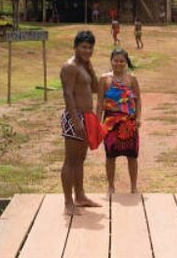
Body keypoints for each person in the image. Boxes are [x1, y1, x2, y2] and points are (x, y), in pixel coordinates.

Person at [60, 30, 102, 215]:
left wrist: (90, 67)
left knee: (80, 160)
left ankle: (80, 196)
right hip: (74, 116)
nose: (87, 50)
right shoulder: (69, 67)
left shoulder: (84, 66)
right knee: (70, 160)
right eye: (84, 47)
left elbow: (94, 88)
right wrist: (76, 121)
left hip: (86, 116)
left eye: (90, 48)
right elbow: (67, 93)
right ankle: (68, 202)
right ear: (75, 47)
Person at [96, 48, 142, 195]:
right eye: (116, 60)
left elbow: (138, 99)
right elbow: (99, 102)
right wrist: (97, 122)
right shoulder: (104, 79)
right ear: (111, 61)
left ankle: (134, 186)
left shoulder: (132, 79)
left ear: (126, 63)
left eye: (122, 61)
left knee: (132, 155)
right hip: (110, 122)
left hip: (129, 122)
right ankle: (111, 186)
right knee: (110, 156)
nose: (118, 63)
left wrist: (138, 118)